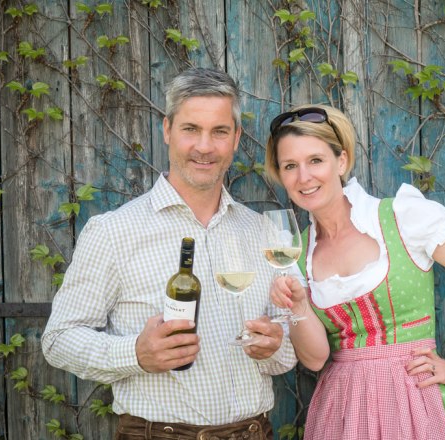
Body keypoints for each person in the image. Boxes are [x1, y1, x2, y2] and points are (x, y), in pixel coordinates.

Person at [42, 67, 296, 440]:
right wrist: (135, 354)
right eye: (191, 129)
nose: (204, 146)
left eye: (220, 131)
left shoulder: (263, 232)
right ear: (167, 130)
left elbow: (287, 348)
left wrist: (275, 345)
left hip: (253, 432)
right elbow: (58, 340)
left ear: (237, 138)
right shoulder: (113, 232)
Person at [264, 104, 445, 439]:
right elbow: (316, 360)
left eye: (315, 160)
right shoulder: (297, 253)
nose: (304, 177)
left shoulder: (401, 218)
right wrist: (300, 307)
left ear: (341, 161)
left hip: (415, 403)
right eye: (290, 166)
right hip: (341, 412)